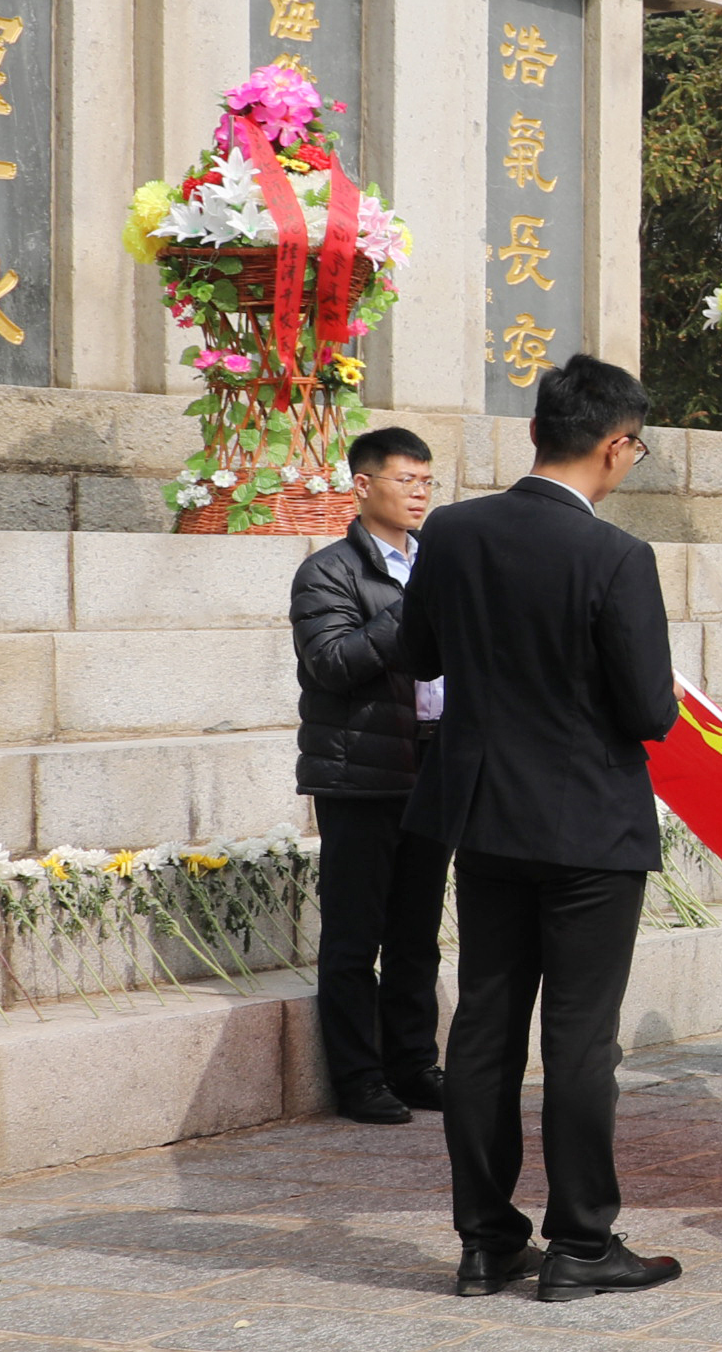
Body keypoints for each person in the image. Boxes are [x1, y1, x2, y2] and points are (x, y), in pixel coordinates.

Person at [390, 355, 683, 1303]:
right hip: (589, 824)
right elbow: (648, 711)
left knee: (482, 1028)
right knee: (578, 1040)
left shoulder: (456, 531)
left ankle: (483, 1240)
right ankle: (582, 1244)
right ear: (614, 445)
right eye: (634, 448)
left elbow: (420, 653)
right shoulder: (615, 557)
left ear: (533, 435)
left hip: (483, 818)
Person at [290, 425, 450, 1127]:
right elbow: (329, 662)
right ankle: (358, 1078)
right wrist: (416, 611)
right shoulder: (327, 572)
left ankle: (414, 1065)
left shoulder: (437, 564)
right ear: (361, 485)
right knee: (354, 935)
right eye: (405, 479)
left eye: (427, 480)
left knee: (417, 930)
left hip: (432, 766)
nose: (419, 492)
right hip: (359, 773)